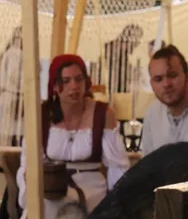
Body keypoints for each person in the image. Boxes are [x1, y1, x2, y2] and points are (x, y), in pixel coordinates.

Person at [16, 55, 129, 219]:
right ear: (55, 86)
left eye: (78, 79)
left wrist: (118, 203)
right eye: (66, 81)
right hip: (53, 189)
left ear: (86, 82)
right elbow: (28, 165)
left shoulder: (102, 113)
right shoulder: (42, 115)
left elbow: (117, 166)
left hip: (92, 191)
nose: (74, 86)